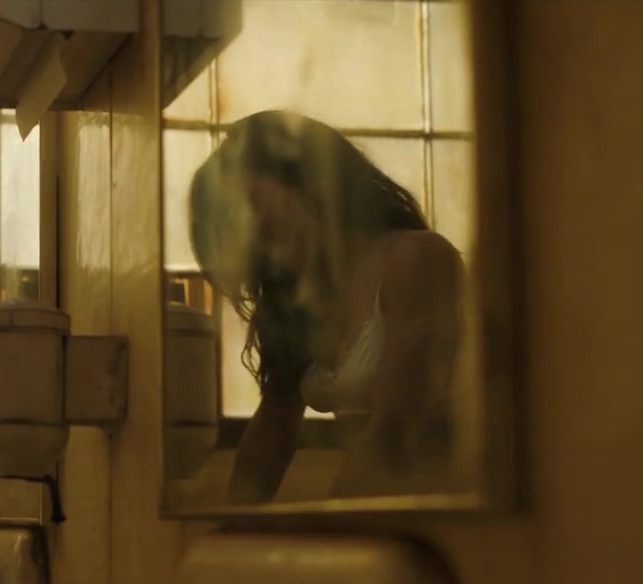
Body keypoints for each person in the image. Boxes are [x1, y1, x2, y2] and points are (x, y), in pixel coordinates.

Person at [187, 110, 465, 503]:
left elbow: (395, 427)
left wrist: (328, 522)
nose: (253, 227)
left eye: (254, 202)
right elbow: (270, 436)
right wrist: (231, 523)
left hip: (452, 508)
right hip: (379, 507)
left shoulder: (415, 259)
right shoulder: (301, 303)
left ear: (307, 179)